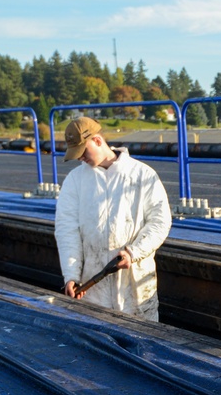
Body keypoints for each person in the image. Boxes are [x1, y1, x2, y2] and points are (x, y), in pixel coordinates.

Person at [54, 117, 172, 321]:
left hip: (136, 288)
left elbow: (160, 221)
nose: (81, 158)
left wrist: (133, 252)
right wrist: (71, 276)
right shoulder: (75, 181)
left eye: (83, 151)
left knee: (142, 344)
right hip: (93, 290)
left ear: (98, 140)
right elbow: (67, 230)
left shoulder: (142, 175)